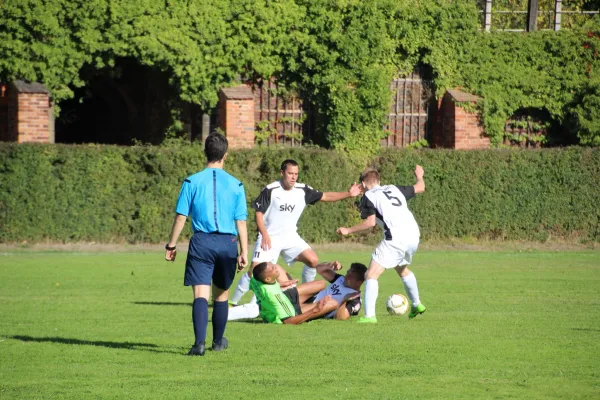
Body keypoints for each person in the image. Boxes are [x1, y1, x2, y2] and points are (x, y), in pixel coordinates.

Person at [229, 159, 361, 305]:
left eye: (296, 174)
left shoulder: (302, 190)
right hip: (270, 236)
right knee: (255, 269)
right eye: (290, 173)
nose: (293, 177)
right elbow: (258, 213)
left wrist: (349, 194)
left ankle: (307, 294)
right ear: (282, 173)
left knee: (313, 260)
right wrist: (265, 234)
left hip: (290, 237)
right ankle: (233, 301)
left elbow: (325, 196)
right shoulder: (271, 190)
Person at [165, 132, 248, 356]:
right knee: (221, 295)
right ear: (225, 155)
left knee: (200, 294)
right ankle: (218, 341)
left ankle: (199, 344)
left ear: (205, 153)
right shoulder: (236, 184)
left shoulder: (191, 181)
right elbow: (241, 221)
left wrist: (171, 245)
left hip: (201, 242)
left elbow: (181, 217)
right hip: (228, 242)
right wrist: (244, 252)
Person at [336, 165, 426, 323]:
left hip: (395, 239)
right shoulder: (393, 188)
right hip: (413, 235)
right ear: (379, 180)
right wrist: (419, 175)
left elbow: (370, 222)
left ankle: (369, 316)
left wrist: (348, 230)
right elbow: (420, 187)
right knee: (402, 269)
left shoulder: (368, 196)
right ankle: (417, 304)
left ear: (363, 184)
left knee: (370, 275)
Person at [228, 261, 366, 323]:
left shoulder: (355, 299)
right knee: (321, 283)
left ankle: (272, 303)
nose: (346, 275)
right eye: (348, 271)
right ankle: (279, 296)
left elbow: (341, 317)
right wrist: (330, 265)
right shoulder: (341, 280)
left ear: (359, 282)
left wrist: (344, 300)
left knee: (332, 304)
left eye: (351, 275)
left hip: (310, 308)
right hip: (307, 298)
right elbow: (319, 269)